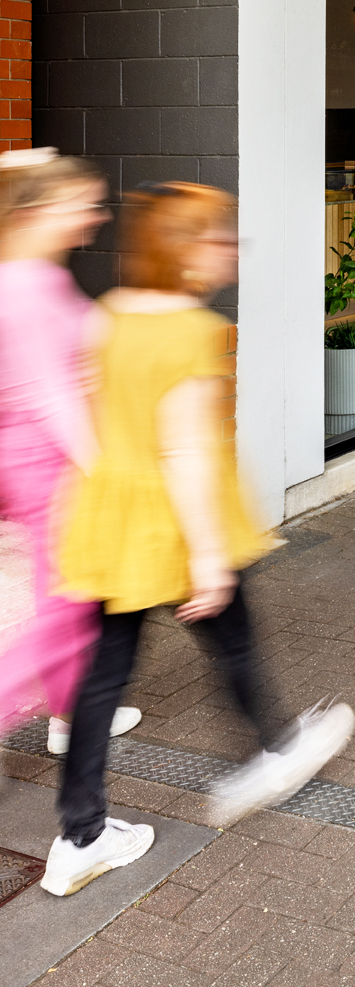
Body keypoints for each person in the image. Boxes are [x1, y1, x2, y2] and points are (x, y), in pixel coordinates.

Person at [43, 183, 355, 897]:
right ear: (186, 250)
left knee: (100, 680)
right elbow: (185, 454)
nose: (229, 251)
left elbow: (86, 409)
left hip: (111, 513)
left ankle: (78, 834)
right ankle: (274, 752)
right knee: (234, 641)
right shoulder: (189, 331)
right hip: (171, 522)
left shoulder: (110, 313)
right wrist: (209, 558)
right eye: (220, 238)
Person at [0, 148, 142, 754]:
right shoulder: (26, 285)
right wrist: (105, 470)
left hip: (39, 457)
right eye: (80, 204)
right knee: (66, 606)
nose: (95, 216)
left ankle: (70, 715)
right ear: (37, 210)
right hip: (48, 463)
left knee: (68, 594)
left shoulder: (36, 274)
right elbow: (51, 394)